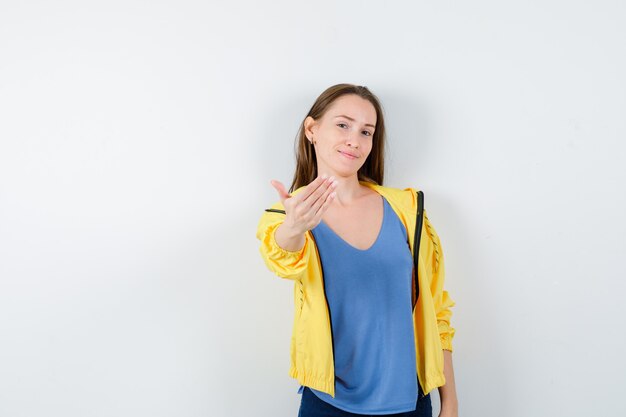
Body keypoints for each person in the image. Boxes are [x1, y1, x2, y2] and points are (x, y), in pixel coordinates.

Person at [256, 83, 458, 417]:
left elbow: (436, 312)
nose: (355, 140)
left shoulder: (408, 211)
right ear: (312, 129)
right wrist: (295, 226)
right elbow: (282, 258)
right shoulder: (287, 215)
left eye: (367, 131)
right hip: (327, 404)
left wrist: (449, 402)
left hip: (410, 402)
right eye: (343, 125)